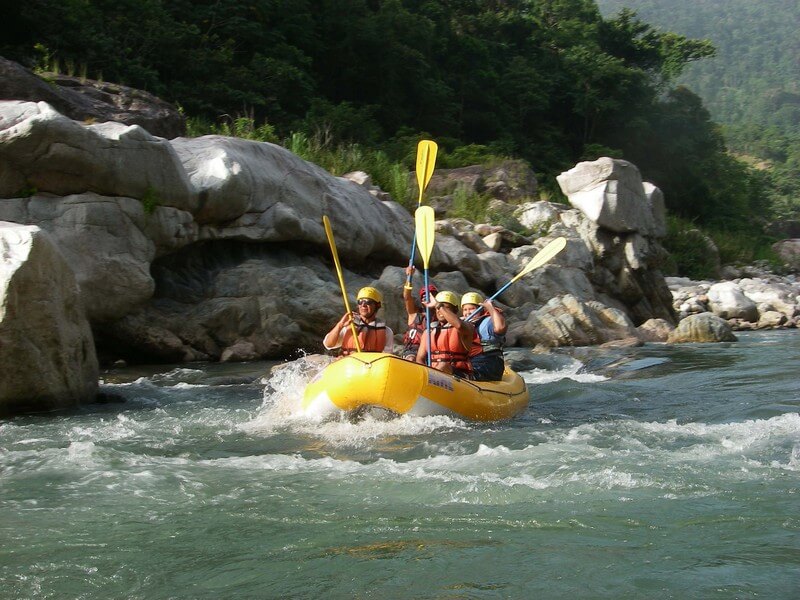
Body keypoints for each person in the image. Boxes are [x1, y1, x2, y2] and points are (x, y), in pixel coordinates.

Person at [415, 290, 477, 379]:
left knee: (443, 366)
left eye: (446, 308)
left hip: (461, 374)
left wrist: (438, 305)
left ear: (455, 310)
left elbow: (458, 325)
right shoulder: (428, 331)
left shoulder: (467, 326)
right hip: (433, 374)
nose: (440, 311)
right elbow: (420, 358)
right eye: (438, 309)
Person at [323, 286, 394, 356]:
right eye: (360, 301)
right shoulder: (349, 326)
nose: (363, 305)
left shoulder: (387, 332)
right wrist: (340, 325)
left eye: (368, 302)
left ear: (377, 305)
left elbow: (387, 358)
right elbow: (328, 345)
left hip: (371, 365)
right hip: (349, 364)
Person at [461, 292, 507, 381]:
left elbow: (500, 327)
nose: (468, 313)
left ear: (480, 310)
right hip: (471, 362)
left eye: (472, 309)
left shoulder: (488, 322)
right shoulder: (462, 324)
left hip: (489, 362)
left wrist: (490, 307)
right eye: (465, 309)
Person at [401, 265, 438, 360]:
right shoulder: (414, 314)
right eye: (424, 296)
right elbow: (407, 297)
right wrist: (409, 277)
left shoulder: (440, 316)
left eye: (431, 296)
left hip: (430, 352)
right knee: (411, 359)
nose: (428, 299)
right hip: (412, 350)